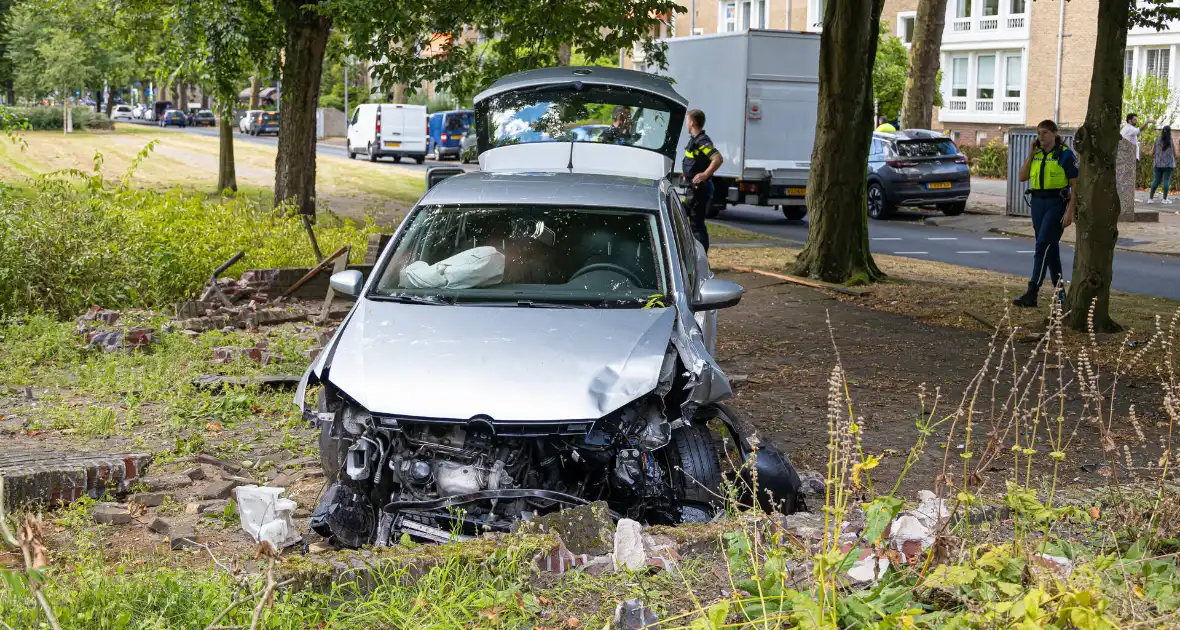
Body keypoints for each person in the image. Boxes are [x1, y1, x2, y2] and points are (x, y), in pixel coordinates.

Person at [1014, 119, 1079, 308]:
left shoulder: (1065, 155)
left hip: (1056, 203)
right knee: (1050, 249)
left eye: (1045, 133)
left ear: (1054, 134)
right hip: (1037, 203)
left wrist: (1070, 211)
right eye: (1039, 133)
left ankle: (1032, 291)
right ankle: (1060, 295)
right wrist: (1030, 154)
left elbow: (1076, 185)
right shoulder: (1037, 153)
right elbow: (1022, 176)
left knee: (1043, 245)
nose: (1041, 137)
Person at [683, 108, 723, 251]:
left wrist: (705, 174)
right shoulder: (695, 141)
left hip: (699, 190)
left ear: (692, 122)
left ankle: (702, 259)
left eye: (687, 121)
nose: (686, 124)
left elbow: (717, 158)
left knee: (697, 226)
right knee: (681, 218)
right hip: (691, 189)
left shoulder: (702, 141)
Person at [1150, 125, 1175, 205]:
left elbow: (1151, 153)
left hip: (1158, 164)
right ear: (1170, 132)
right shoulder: (1171, 141)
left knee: (1156, 180)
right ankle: (1164, 199)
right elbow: (1176, 153)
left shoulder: (1157, 140)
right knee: (1166, 181)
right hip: (1168, 165)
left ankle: (1150, 199)